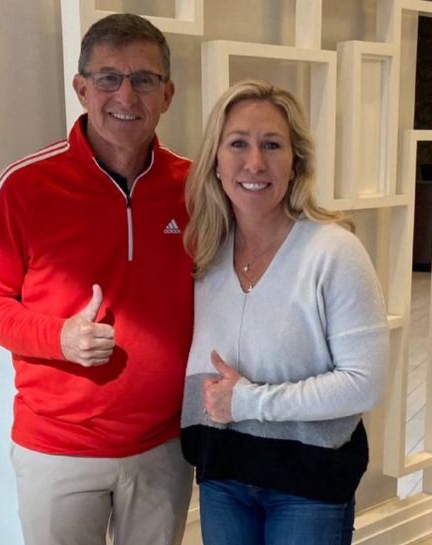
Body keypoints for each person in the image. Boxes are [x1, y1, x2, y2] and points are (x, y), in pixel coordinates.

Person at [0, 13, 194, 545]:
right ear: (82, 88)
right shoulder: (26, 185)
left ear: (167, 94)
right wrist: (59, 337)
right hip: (58, 449)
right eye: (109, 77)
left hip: (164, 447)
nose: (126, 96)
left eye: (144, 79)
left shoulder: (195, 186)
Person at [181, 80, 389, 545]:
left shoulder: (334, 252)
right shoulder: (206, 255)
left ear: (296, 163)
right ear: (215, 160)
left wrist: (249, 402)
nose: (255, 163)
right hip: (223, 473)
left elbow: (365, 382)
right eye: (238, 143)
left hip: (308, 483)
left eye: (272, 145)